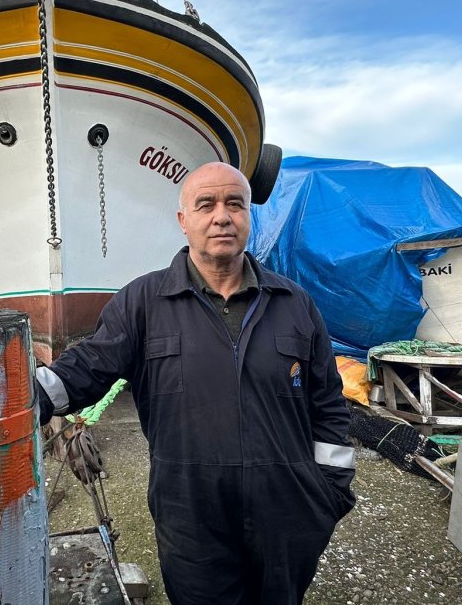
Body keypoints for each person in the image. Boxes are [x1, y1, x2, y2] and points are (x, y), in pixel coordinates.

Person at [34, 162, 355, 604]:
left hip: (287, 512)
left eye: (234, 205)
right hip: (190, 513)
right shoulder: (143, 301)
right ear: (184, 221)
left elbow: (328, 404)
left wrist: (329, 492)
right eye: (206, 205)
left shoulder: (295, 304)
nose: (221, 216)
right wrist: (27, 398)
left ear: (248, 217)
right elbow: (90, 364)